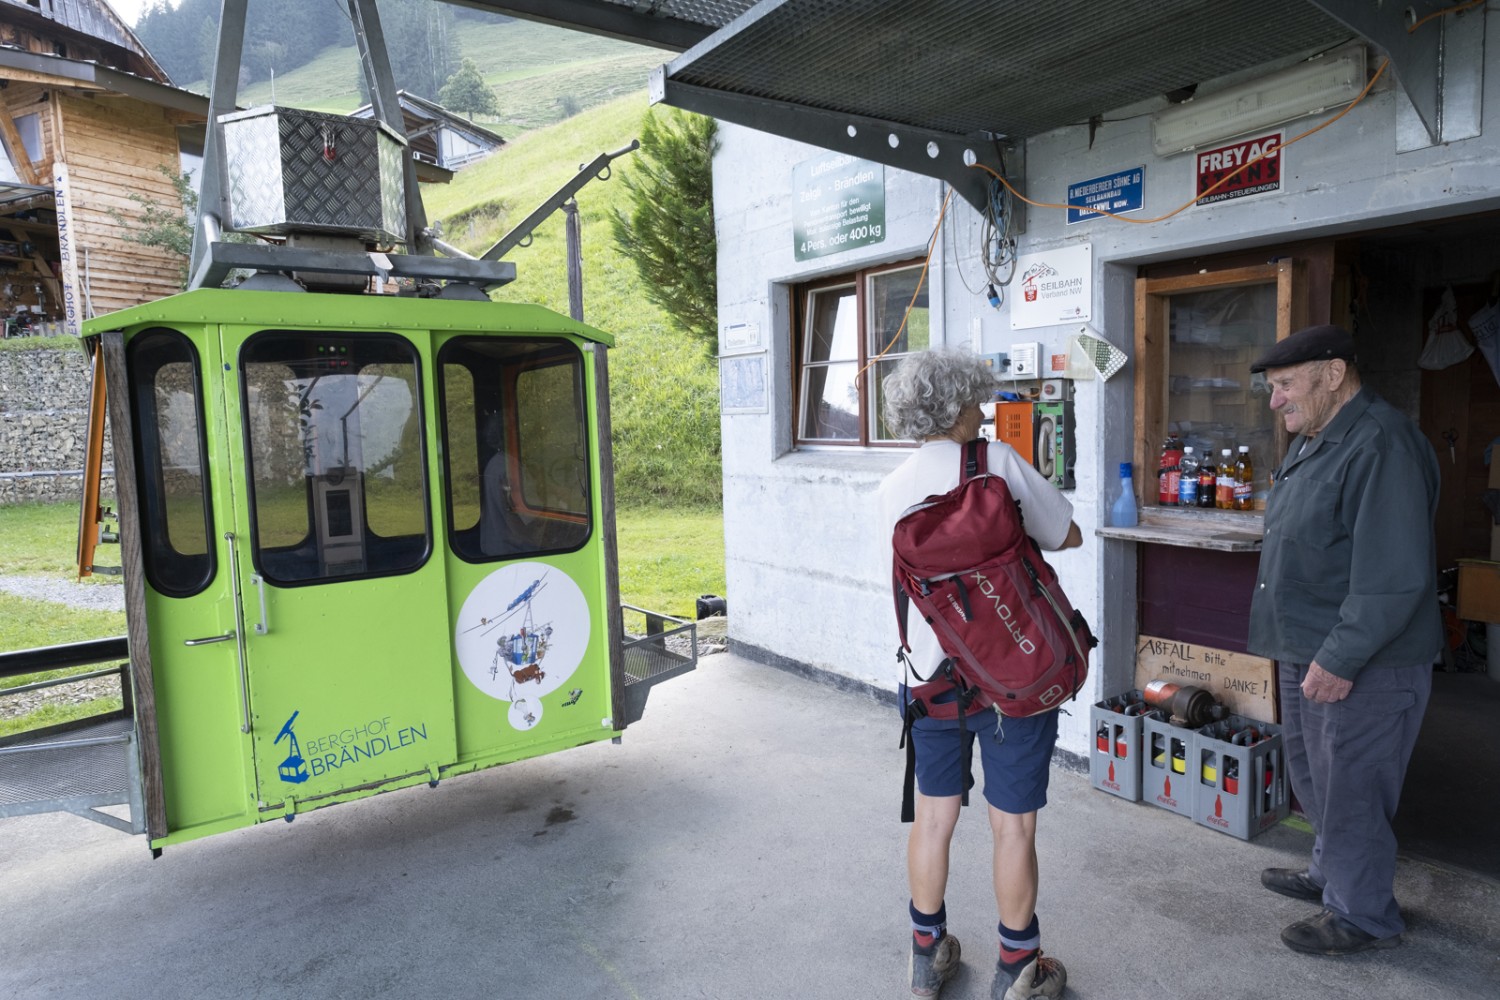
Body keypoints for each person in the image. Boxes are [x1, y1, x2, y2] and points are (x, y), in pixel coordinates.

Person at [877, 349, 1082, 999]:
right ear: (960, 406)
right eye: (978, 400)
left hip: (929, 679)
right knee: (1012, 825)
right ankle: (1017, 970)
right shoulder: (997, 465)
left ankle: (925, 956)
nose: (985, 410)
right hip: (1014, 676)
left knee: (933, 818)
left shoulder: (891, 488)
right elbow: (1064, 534)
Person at [1247, 324, 1440, 955]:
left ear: (1333, 374)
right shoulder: (1320, 439)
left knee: (1354, 786)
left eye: (1284, 386)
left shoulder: (1381, 444)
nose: (1274, 402)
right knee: (1318, 778)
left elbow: (1393, 577)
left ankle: (1363, 916)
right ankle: (1331, 876)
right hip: (1310, 644)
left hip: (1362, 659)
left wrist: (1339, 657)